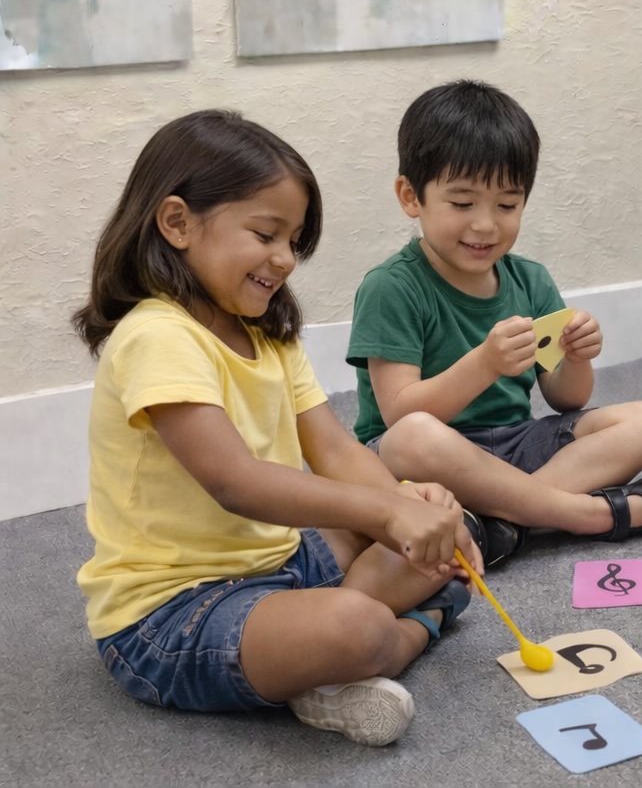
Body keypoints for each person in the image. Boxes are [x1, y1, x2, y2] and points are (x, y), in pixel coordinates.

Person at [74, 110, 481, 747]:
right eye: (266, 234)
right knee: (359, 625)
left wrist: (407, 504)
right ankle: (399, 636)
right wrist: (389, 518)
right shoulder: (156, 337)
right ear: (177, 222)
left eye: (294, 242)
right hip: (172, 616)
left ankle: (330, 654)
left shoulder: (265, 330)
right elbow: (238, 483)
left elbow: (333, 447)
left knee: (446, 547)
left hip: (282, 561)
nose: (284, 259)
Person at [348, 80, 642, 565]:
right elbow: (400, 416)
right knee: (413, 438)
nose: (486, 225)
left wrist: (576, 357)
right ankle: (585, 514)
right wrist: (485, 364)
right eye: (463, 203)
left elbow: (565, 398)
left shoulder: (530, 280)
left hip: (513, 442)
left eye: (507, 205)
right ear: (411, 196)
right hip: (428, 459)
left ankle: (503, 522)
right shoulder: (391, 287)